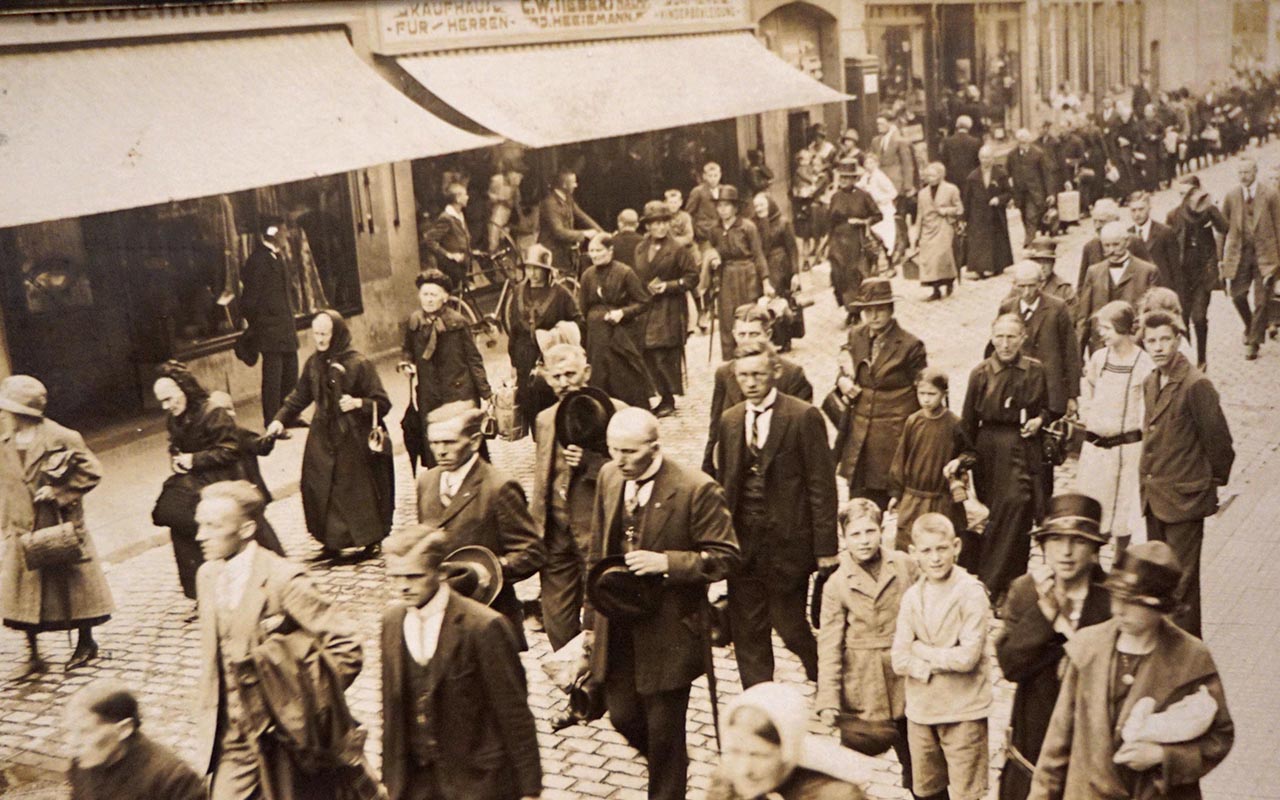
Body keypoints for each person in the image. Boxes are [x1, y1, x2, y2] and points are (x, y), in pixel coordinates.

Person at [583, 408, 740, 800]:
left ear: (655, 447)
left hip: (669, 630)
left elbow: (726, 556)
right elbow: (597, 552)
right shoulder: (609, 476)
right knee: (621, 715)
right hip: (618, 626)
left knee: (664, 730)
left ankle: (668, 782)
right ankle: (670, 762)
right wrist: (589, 623)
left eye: (630, 452)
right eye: (613, 450)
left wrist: (667, 562)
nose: (620, 460)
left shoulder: (694, 488)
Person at [192, 480, 380, 800]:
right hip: (231, 739)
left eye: (213, 526)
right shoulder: (207, 575)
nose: (200, 536)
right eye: (199, 524)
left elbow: (347, 646)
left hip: (286, 739)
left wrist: (303, 703)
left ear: (247, 529)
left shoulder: (284, 579)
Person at [1028, 542, 1234, 800]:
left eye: (1132, 602)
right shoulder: (1088, 647)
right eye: (1116, 597)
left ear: (1160, 607)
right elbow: (1057, 744)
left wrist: (1163, 756)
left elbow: (1220, 737)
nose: (1119, 610)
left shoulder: (1191, 658)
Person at [380, 527, 542, 800]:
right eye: (394, 577)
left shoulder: (483, 626)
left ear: (442, 572)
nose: (403, 587)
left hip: (476, 782)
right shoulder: (392, 622)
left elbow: (514, 712)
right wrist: (389, 779)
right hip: (416, 782)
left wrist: (530, 789)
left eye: (414, 576)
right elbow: (392, 708)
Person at [715, 340, 838, 687]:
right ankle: (760, 699)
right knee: (748, 632)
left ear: (775, 372)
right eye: (743, 376)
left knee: (791, 627)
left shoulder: (802, 416)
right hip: (744, 546)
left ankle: (826, 679)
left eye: (757, 374)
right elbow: (726, 484)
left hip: (788, 544)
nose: (750, 382)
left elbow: (821, 486)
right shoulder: (730, 420)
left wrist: (826, 548)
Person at [995, 494, 1112, 800]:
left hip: (1090, 750)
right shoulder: (1025, 593)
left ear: (1095, 549)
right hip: (1033, 744)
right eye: (1057, 540)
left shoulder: (1112, 601)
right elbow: (1010, 666)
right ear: (1044, 546)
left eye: (1079, 541)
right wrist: (1045, 613)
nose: (1067, 552)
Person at [0, 375, 112, 677]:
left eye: (6, 410)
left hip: (58, 524)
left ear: (22, 411)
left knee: (76, 586)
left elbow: (91, 472)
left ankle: (86, 643)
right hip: (20, 528)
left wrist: (59, 492)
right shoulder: (5, 441)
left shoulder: (62, 437)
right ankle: (33, 654)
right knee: (24, 592)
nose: (2, 415)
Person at [417, 405, 547, 648]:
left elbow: (532, 553)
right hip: (440, 616)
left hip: (488, 616)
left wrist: (489, 568)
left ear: (475, 441)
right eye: (434, 442)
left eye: (449, 442)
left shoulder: (499, 487)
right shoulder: (426, 481)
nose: (440, 451)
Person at [815, 500, 921, 799]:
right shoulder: (836, 584)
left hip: (906, 680)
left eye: (870, 531)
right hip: (863, 686)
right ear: (844, 538)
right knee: (848, 774)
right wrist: (828, 699)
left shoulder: (903, 565)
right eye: (856, 534)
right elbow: (829, 645)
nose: (864, 541)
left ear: (882, 530)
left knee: (920, 767)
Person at [267, 310, 392, 561]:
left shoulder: (358, 363)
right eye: (316, 333)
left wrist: (358, 403)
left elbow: (383, 402)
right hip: (323, 433)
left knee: (356, 489)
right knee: (318, 486)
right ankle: (331, 542)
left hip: (353, 436)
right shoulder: (313, 363)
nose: (320, 339)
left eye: (325, 333)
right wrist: (279, 419)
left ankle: (370, 540)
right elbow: (299, 395)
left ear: (337, 333)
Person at [1139, 311, 1234, 637]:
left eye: (1165, 339)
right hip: (1155, 498)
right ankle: (1165, 645)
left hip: (1185, 500)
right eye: (1151, 341)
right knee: (1161, 579)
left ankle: (1186, 652)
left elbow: (1220, 442)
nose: (1158, 347)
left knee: (1182, 583)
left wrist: (1209, 484)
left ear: (1178, 340)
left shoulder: (1196, 384)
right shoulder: (1151, 381)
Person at [891, 513, 992, 800]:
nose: (935, 558)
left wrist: (921, 651)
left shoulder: (971, 593)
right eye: (926, 551)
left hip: (964, 711)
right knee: (927, 791)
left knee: (965, 793)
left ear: (956, 547)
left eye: (942, 548)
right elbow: (899, 658)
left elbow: (968, 657)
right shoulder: (912, 597)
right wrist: (926, 666)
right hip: (922, 711)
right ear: (914, 554)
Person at [532, 344, 626, 651]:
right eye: (556, 375)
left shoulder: (617, 413)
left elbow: (631, 476)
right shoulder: (546, 419)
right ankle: (575, 680)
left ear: (586, 372)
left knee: (598, 621)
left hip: (596, 532)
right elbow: (541, 478)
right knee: (556, 622)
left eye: (570, 373)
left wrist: (592, 464)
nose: (563, 382)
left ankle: (594, 693)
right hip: (556, 535)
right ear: (546, 377)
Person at [961, 314, 1048, 603]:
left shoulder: (1035, 371)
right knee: (995, 515)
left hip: (1023, 445)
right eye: (999, 336)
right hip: (989, 449)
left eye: (1012, 337)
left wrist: (1039, 420)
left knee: (1020, 506)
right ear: (992, 337)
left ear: (1023, 338)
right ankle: (994, 584)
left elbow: (1047, 409)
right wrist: (966, 460)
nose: (1005, 343)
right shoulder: (981, 373)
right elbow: (968, 423)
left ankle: (1004, 583)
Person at [152, 362, 245, 600]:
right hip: (194, 484)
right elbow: (175, 445)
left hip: (222, 482)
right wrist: (177, 459)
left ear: (184, 389)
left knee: (223, 534)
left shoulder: (213, 412)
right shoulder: (174, 419)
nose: (167, 406)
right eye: (162, 401)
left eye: (170, 399)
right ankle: (202, 593)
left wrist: (194, 459)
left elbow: (231, 449)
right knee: (183, 531)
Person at [834, 279, 928, 510]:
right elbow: (845, 369)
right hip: (859, 435)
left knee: (894, 501)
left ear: (891, 310)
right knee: (859, 503)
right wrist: (842, 381)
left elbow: (923, 389)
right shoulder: (856, 336)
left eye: (880, 309)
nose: (873, 316)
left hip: (892, 436)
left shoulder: (910, 345)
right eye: (867, 310)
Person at [1077, 301, 1155, 555]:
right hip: (1097, 448)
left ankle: (1120, 561)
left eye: (1107, 328)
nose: (1102, 333)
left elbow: (1147, 406)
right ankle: (1094, 563)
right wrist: (1089, 414)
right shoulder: (1100, 359)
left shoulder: (1144, 364)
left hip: (1128, 449)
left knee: (1123, 511)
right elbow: (1087, 388)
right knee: (1095, 509)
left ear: (1123, 328)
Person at [399, 269, 493, 469]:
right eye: (425, 294)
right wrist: (407, 363)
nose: (429, 299)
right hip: (429, 395)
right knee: (436, 446)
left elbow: (473, 358)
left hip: (458, 394)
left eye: (433, 294)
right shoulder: (415, 322)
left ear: (445, 297)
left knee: (462, 443)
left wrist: (485, 392)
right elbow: (407, 349)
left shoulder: (458, 323)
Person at [703, 304, 813, 473]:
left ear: (768, 335)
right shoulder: (724, 374)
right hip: (736, 469)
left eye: (754, 334)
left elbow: (804, 435)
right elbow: (716, 429)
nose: (747, 341)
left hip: (778, 472)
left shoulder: (791, 375)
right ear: (734, 335)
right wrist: (708, 475)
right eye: (741, 334)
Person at [710, 682, 867, 800]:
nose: (743, 770)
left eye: (759, 755)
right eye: (734, 751)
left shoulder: (835, 797)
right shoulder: (725, 780)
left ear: (788, 751)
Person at [67, 679, 205, 800]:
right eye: (71, 730)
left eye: (85, 732)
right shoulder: (84, 762)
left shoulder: (174, 779)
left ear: (124, 729)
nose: (73, 743)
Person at [889, 369, 975, 553]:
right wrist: (896, 493)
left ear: (944, 394)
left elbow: (971, 453)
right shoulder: (913, 421)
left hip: (942, 500)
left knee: (940, 547)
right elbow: (900, 459)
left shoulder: (955, 424)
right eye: (922, 394)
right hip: (913, 499)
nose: (926, 399)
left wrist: (959, 461)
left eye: (932, 394)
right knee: (909, 547)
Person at [503, 244, 584, 432]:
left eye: (537, 269)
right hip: (525, 357)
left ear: (546, 271)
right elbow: (514, 329)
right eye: (529, 268)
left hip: (550, 359)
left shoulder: (561, 293)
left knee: (552, 405)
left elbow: (578, 321)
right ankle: (540, 445)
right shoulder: (518, 292)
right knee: (529, 405)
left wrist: (556, 334)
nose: (532, 273)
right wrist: (513, 362)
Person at [634, 200, 699, 418]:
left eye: (663, 223)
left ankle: (668, 397)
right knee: (648, 353)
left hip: (670, 307)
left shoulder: (677, 249)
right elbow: (638, 275)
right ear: (648, 226)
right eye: (655, 223)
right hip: (648, 307)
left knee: (663, 352)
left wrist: (669, 286)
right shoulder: (641, 248)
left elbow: (692, 278)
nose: (660, 227)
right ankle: (661, 394)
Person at [239, 217, 301, 431]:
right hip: (270, 331)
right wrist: (261, 325)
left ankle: (290, 416)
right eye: (285, 231)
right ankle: (273, 422)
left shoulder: (277, 257)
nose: (288, 235)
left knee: (291, 372)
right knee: (273, 380)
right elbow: (248, 301)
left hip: (285, 327)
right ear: (273, 233)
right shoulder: (258, 261)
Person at [579, 232, 654, 408]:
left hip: (619, 334)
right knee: (597, 377)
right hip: (596, 337)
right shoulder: (587, 275)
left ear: (610, 250)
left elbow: (644, 302)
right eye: (591, 251)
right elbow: (581, 309)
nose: (595, 255)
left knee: (622, 376)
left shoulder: (625, 272)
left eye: (599, 250)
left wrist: (623, 313)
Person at [206, 391, 285, 557]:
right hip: (229, 497)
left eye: (228, 411)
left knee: (260, 533)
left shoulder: (239, 433)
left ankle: (277, 559)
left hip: (247, 492)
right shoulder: (210, 439)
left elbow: (260, 446)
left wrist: (270, 437)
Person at [1220, 157, 1280, 359]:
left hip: (1265, 254)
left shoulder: (1270, 195)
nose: (1243, 176)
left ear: (1255, 171)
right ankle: (1251, 326)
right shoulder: (1231, 196)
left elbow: (1279, 227)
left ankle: (1253, 343)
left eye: (1246, 172)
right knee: (1237, 295)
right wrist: (1221, 256)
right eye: (1240, 173)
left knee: (1262, 301)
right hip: (1240, 254)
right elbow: (1222, 228)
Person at [1166, 178, 1227, 369]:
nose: (1183, 198)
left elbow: (1225, 228)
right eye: (1180, 194)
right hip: (1182, 276)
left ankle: (1201, 358)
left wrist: (1211, 209)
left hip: (1202, 274)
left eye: (1187, 194)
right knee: (1181, 319)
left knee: (1199, 317)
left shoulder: (1207, 211)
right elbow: (1167, 242)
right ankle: (1183, 359)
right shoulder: (1173, 215)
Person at [1077, 221, 1160, 354]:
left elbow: (1152, 315)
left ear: (1127, 242)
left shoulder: (1147, 271)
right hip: (1101, 347)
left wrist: (1135, 341)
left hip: (1136, 347)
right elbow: (1084, 317)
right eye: (1107, 246)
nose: (1111, 250)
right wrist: (1078, 355)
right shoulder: (1094, 272)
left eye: (1116, 244)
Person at [709, 186, 773, 360]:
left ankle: (754, 356)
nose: (723, 209)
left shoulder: (747, 227)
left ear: (735, 208)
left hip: (747, 275)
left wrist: (765, 281)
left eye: (727, 205)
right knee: (727, 318)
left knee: (749, 317)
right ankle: (731, 360)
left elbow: (759, 255)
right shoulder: (714, 230)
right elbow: (713, 251)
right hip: (726, 276)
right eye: (720, 205)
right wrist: (714, 261)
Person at [828, 163, 884, 313]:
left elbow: (878, 215)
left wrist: (863, 221)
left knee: (855, 276)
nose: (844, 180)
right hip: (838, 242)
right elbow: (830, 222)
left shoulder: (863, 196)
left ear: (854, 179)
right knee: (838, 276)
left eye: (848, 178)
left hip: (856, 241)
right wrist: (827, 245)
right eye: (842, 177)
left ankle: (856, 311)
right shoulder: (835, 197)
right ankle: (848, 308)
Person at [872, 113, 919, 262]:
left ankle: (901, 246)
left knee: (898, 216)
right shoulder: (876, 141)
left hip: (896, 184)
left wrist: (908, 185)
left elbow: (907, 164)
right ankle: (892, 246)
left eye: (881, 123)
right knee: (886, 217)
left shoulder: (899, 141)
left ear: (890, 123)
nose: (878, 126)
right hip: (881, 184)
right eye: (877, 124)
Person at [1075, 198, 1151, 290]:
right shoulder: (1090, 247)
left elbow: (1149, 273)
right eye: (1095, 221)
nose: (1097, 226)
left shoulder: (1133, 241)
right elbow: (1082, 285)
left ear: (1116, 220)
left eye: (1102, 221)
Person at [962, 146, 1014, 279]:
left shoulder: (1000, 174)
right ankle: (980, 267)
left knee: (996, 239)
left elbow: (1008, 192)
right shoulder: (973, 177)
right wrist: (964, 217)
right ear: (979, 158)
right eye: (982, 158)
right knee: (979, 241)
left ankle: (997, 265)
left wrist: (999, 199)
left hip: (995, 213)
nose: (985, 161)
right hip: (978, 214)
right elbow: (967, 198)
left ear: (993, 158)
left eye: (988, 158)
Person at [915, 162, 963, 300]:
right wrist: (916, 234)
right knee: (929, 259)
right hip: (928, 228)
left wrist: (946, 210)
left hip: (944, 225)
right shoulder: (922, 194)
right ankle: (935, 289)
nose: (929, 178)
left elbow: (959, 209)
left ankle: (949, 281)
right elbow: (920, 214)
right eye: (928, 175)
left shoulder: (951, 189)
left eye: (933, 175)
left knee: (942, 256)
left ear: (941, 175)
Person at [538, 170, 602, 272]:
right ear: (564, 185)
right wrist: (584, 234)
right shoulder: (550, 203)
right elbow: (558, 232)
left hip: (564, 251)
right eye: (573, 182)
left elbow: (582, 216)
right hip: (551, 253)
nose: (576, 185)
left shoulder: (567, 199)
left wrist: (601, 233)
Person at [421, 181, 473, 290]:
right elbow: (429, 240)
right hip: (451, 267)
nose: (468, 197)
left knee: (464, 296)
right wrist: (449, 255)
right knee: (452, 295)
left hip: (463, 263)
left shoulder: (459, 214)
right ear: (458, 198)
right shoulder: (446, 218)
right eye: (465, 194)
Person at [1008, 129, 1055, 247]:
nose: (1022, 145)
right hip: (1020, 192)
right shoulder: (1012, 155)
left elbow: (1046, 174)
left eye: (1024, 142)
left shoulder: (1038, 153)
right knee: (1024, 216)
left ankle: (1029, 242)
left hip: (1035, 192)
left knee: (1031, 216)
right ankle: (1034, 235)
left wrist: (1050, 193)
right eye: (1020, 142)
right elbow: (1007, 172)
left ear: (1029, 142)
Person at [1127, 191, 1179, 290]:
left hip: (1162, 288)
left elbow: (1175, 269)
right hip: (1138, 288)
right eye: (1133, 210)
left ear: (1149, 208)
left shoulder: (1165, 232)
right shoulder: (1127, 235)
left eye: (1141, 209)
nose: (1137, 214)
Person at [858, 153, 900, 260]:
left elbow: (893, 192)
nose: (868, 165)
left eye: (871, 163)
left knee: (885, 232)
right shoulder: (866, 176)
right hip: (871, 207)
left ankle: (889, 253)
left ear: (876, 164)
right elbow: (859, 185)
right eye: (866, 163)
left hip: (883, 208)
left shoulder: (880, 176)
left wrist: (882, 199)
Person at [939, 116, 982, 203]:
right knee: (968, 203)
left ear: (957, 126)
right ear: (970, 126)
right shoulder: (976, 142)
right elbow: (978, 162)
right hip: (970, 177)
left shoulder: (947, 141)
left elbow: (944, 160)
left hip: (952, 178)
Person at [687, 160, 726, 246]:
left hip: (722, 232)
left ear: (720, 175)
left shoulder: (724, 190)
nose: (713, 179)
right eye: (710, 176)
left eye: (715, 175)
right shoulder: (698, 191)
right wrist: (697, 230)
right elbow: (689, 213)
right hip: (705, 233)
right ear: (704, 176)